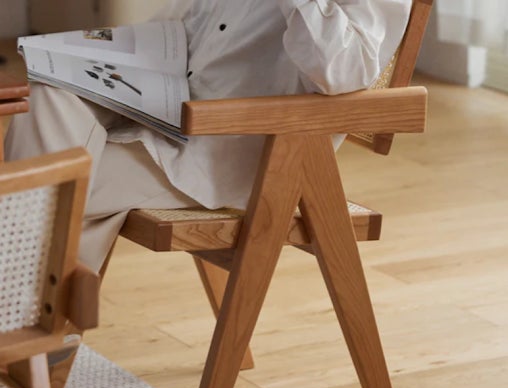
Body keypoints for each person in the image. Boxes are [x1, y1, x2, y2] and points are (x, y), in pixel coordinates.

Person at [5, 0, 412, 274]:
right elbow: (190, 25)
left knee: (46, 188)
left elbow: (342, 72)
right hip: (167, 103)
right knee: (47, 95)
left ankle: (29, 336)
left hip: (225, 149)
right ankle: (35, 334)